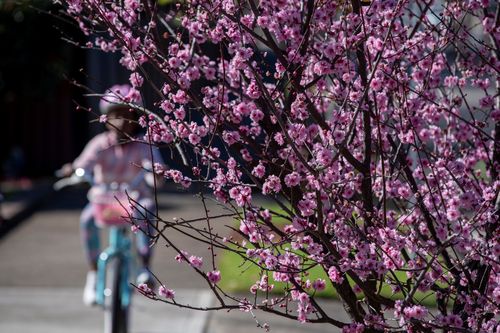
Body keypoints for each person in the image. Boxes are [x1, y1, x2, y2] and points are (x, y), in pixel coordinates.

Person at [62, 84, 163, 306]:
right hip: (104, 201)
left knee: (146, 212)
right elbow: (83, 165)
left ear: (137, 118)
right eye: (115, 115)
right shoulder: (99, 145)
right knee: (87, 219)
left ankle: (145, 265)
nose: (122, 122)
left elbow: (156, 169)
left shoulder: (144, 145)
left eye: (128, 115)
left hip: (135, 200)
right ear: (106, 118)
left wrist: (157, 174)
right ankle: (92, 274)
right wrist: (74, 170)